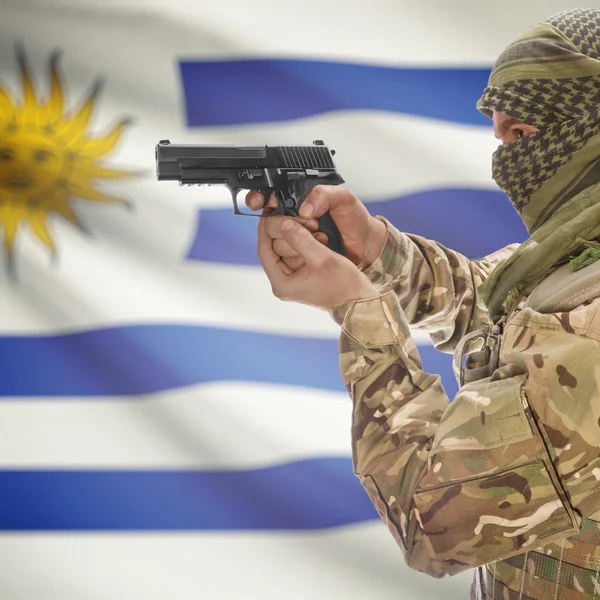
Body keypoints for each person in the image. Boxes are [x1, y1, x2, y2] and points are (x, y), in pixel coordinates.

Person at [247, 8, 600, 599]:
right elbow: (500, 310)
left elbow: (434, 523)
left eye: (523, 134)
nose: (505, 162)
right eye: (499, 135)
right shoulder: (577, 258)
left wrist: (359, 310)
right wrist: (378, 251)